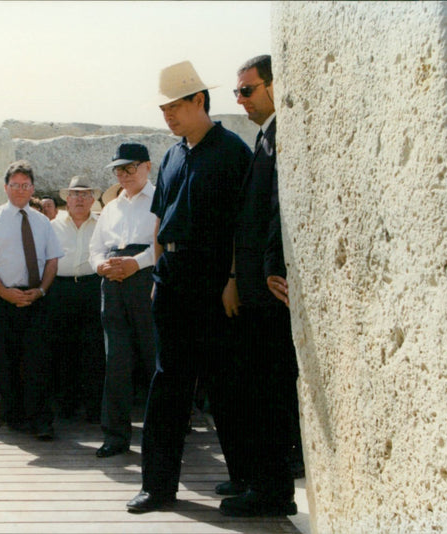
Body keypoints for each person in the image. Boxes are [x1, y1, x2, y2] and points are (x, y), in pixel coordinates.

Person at [126, 61, 252, 512]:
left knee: (226, 385)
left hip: (216, 281)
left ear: (200, 100)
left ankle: (245, 480)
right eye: (163, 108)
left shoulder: (234, 151)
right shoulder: (173, 154)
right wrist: (159, 276)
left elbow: (244, 225)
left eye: (175, 106)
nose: (168, 115)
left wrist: (234, 280)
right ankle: (157, 488)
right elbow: (160, 220)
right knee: (168, 387)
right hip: (174, 280)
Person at [217, 54, 301, 518]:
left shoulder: (280, 136)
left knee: (269, 394)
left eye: (247, 90)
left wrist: (274, 266)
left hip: (270, 291)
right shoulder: (265, 138)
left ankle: (272, 490)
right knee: (259, 390)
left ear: (273, 87)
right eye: (237, 92)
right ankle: (265, 481)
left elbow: (278, 208)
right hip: (254, 288)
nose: (240, 99)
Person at [0, 160, 64, 440]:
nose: (20, 190)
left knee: (39, 363)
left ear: (32, 188)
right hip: (2, 300)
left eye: (25, 185)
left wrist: (42, 290)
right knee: (6, 363)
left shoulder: (42, 222)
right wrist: (4, 292)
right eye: (15, 185)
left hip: (36, 299)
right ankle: (15, 421)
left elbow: (52, 261)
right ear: (6, 188)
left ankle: (42, 422)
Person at [89, 143, 157, 459]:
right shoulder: (112, 207)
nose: (123, 174)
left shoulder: (160, 199)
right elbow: (96, 248)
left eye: (130, 168)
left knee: (154, 357)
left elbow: (164, 243)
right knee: (116, 361)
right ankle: (115, 436)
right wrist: (101, 266)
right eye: (118, 169)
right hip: (113, 283)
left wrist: (136, 264)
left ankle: (162, 436)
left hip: (147, 280)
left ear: (147, 167)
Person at [49, 176, 105, 423]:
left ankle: (94, 407)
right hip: (60, 290)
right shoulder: (52, 226)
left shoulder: (102, 224)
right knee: (62, 347)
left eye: (85, 194)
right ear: (67, 199)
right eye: (75, 194)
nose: (80, 199)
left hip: (92, 288)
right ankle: (66, 406)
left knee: (94, 348)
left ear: (93, 199)